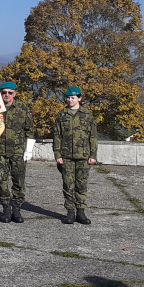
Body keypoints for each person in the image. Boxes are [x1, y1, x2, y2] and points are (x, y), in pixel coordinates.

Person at [53, 86, 98, 225]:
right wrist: (57, 154)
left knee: (81, 185)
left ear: (79, 98)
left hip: (83, 156)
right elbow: (57, 136)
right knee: (68, 184)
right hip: (66, 156)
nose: (70, 100)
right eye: (67, 97)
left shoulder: (87, 115)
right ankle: (70, 212)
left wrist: (93, 154)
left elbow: (93, 136)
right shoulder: (61, 115)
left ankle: (81, 212)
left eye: (72, 97)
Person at [0, 82, 36, 223]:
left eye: (10, 93)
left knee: (18, 180)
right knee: (1, 180)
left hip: (18, 151)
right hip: (0, 150)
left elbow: (29, 130)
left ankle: (16, 209)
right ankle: (6, 209)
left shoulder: (23, 108)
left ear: (14, 94)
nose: (7, 95)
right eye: (4, 92)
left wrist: (28, 150)